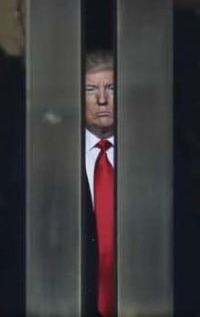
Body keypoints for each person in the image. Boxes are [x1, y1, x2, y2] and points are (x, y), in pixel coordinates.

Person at [82, 50, 116, 317]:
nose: (102, 99)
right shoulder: (52, 157)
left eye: (111, 88)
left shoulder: (157, 155)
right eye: (91, 89)